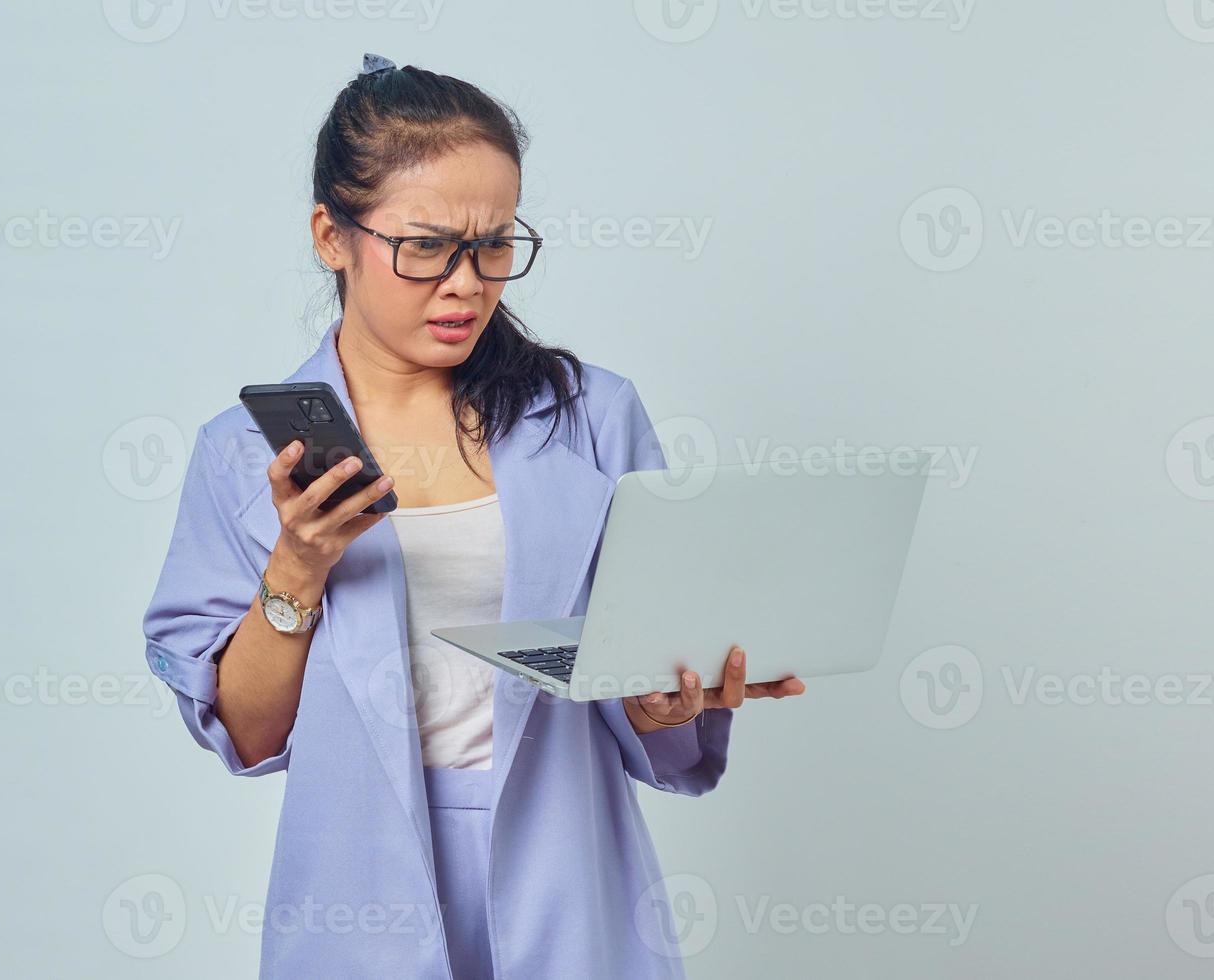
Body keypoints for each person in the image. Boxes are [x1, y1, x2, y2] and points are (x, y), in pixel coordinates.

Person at [142, 52, 806, 980]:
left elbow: (648, 692)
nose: (467, 284)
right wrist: (297, 566)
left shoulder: (591, 417)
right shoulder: (245, 454)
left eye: (494, 244)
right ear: (332, 237)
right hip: (357, 883)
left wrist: (664, 701)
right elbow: (249, 735)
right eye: (425, 246)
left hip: (568, 869)